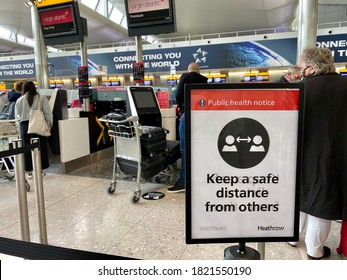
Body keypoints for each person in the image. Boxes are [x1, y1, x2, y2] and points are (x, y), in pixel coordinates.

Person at [294, 47, 347, 259]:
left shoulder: (300, 89)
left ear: (313, 67)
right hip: (339, 156)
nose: (301, 72)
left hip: (304, 153)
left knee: (299, 195)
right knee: (324, 199)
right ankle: (314, 250)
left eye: (303, 68)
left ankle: (290, 236)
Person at [167, 62, 208, 193]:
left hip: (188, 115)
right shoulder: (205, 81)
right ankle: (198, 178)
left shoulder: (185, 77)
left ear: (189, 70)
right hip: (201, 116)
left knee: (185, 149)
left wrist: (182, 105)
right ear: (199, 71)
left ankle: (183, 181)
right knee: (198, 148)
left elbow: (178, 95)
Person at [15, 81, 53, 179]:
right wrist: (49, 125)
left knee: (27, 149)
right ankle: (40, 170)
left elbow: (17, 118)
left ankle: (29, 172)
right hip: (38, 124)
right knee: (40, 148)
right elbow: (47, 113)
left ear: (24, 89)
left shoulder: (20, 100)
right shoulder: (41, 97)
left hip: (25, 126)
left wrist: (19, 131)